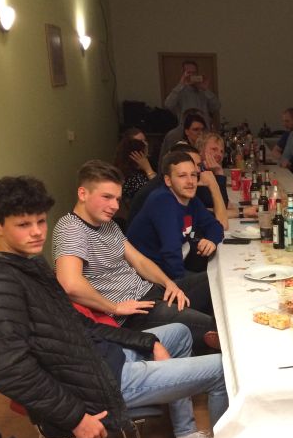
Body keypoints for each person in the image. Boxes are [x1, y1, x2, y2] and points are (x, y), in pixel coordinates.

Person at [0, 176, 268, 438]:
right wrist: (75, 417)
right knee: (222, 369)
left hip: (98, 359)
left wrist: (148, 342)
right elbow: (5, 369)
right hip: (101, 382)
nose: (36, 232)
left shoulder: (28, 265)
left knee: (180, 333)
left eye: (40, 221)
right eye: (23, 225)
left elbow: (81, 325)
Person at [53, 160, 219, 355]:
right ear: (83, 194)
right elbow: (69, 283)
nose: (114, 206)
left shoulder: (108, 224)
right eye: (107, 197)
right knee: (216, 328)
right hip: (135, 313)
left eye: (117, 199)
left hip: (150, 292)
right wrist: (115, 307)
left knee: (219, 280)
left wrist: (169, 283)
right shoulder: (70, 228)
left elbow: (139, 261)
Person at [127, 151, 224, 279]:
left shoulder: (191, 200)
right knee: (217, 281)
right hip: (146, 277)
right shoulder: (162, 201)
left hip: (168, 268)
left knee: (220, 275)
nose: (190, 181)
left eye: (193, 175)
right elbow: (171, 251)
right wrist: (182, 286)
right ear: (168, 180)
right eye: (182, 176)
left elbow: (215, 226)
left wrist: (211, 240)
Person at [164, 60, 221, 129]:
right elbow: (168, 105)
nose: (191, 75)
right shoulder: (179, 91)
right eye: (188, 72)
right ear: (183, 74)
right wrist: (181, 85)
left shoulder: (203, 91)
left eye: (194, 73)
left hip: (204, 129)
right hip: (186, 130)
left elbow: (216, 107)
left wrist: (205, 90)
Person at [114, 128, 156, 215]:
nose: (146, 144)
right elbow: (159, 191)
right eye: (140, 142)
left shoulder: (149, 164)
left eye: (145, 140)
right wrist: (148, 169)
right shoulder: (131, 176)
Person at [158, 107, 202, 171]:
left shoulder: (198, 143)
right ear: (186, 131)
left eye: (202, 129)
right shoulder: (176, 138)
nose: (200, 133)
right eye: (196, 129)